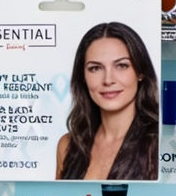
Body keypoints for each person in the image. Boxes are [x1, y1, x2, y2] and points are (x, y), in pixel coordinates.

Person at [55, 22, 159, 181]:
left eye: (122, 66)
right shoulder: (68, 146)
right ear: (83, 76)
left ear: (140, 72)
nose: (108, 80)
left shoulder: (160, 144)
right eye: (95, 68)